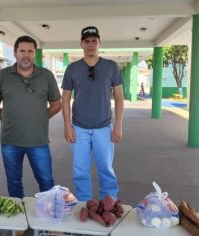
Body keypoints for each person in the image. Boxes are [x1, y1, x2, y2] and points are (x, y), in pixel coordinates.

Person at [0, 35, 61, 199]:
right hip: (10, 141)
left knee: (46, 182)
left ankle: (45, 217)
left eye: (30, 51)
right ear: (15, 53)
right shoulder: (2, 76)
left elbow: (56, 105)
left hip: (38, 141)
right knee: (14, 182)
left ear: (35, 54)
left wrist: (40, 119)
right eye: (22, 51)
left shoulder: (46, 76)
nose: (26, 55)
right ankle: (19, 221)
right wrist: (7, 120)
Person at [61, 26, 124, 201]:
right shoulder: (72, 68)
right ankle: (84, 205)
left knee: (106, 170)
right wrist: (67, 126)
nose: (90, 44)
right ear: (81, 44)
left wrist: (118, 125)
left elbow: (119, 97)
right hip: (79, 129)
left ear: (99, 43)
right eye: (87, 41)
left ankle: (109, 205)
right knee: (80, 171)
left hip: (104, 128)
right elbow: (65, 98)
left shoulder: (111, 66)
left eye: (94, 41)